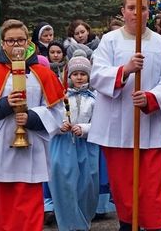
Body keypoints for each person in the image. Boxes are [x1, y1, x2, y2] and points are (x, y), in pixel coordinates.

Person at [87, 0, 161, 231]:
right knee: (126, 192)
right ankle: (128, 226)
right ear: (123, 11)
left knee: (154, 190)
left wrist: (151, 98)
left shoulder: (160, 43)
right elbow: (96, 76)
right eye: (131, 8)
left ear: (149, 12)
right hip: (118, 130)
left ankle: (158, 228)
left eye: (143, 8)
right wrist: (125, 71)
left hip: (149, 129)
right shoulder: (109, 41)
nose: (137, 13)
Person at [0, 19, 65, 231]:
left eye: (20, 39)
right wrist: (4, 105)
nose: (16, 45)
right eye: (11, 41)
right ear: (3, 44)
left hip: (31, 152)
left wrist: (32, 118)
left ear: (28, 41)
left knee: (28, 214)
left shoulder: (43, 73)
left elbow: (57, 113)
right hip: (0, 151)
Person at [48, 51, 101, 231]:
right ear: (69, 75)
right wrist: (59, 126)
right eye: (75, 74)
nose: (79, 77)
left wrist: (84, 129)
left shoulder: (95, 99)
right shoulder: (61, 97)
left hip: (87, 145)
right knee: (65, 183)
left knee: (88, 183)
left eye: (83, 74)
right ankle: (69, 224)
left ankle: (84, 220)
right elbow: (51, 116)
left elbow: (101, 123)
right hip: (64, 144)